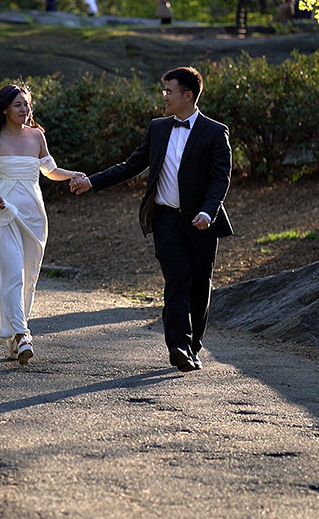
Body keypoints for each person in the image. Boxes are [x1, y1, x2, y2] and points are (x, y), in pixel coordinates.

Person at [70, 67, 233, 373]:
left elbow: (220, 179)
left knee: (200, 286)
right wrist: (92, 181)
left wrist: (208, 211)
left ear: (188, 95)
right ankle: (178, 346)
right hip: (166, 220)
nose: (164, 97)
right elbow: (131, 166)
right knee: (176, 281)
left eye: (169, 92)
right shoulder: (158, 128)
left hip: (202, 223)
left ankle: (194, 345)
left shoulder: (214, 132)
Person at [0, 84, 84, 365]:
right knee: (11, 274)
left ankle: (13, 335)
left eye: (27, 104)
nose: (25, 109)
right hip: (5, 212)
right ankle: (22, 335)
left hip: (34, 213)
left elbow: (49, 170)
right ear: (6, 108)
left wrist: (74, 174)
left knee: (28, 276)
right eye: (18, 105)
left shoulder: (37, 136)